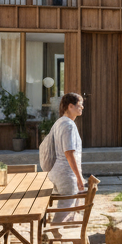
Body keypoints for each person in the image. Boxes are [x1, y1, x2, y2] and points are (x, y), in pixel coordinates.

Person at [45, 92, 86, 221]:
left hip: (57, 172)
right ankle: (55, 230)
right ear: (70, 106)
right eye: (80, 104)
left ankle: (60, 230)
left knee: (69, 207)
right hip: (66, 173)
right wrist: (79, 178)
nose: (82, 107)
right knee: (66, 208)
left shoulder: (59, 122)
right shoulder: (68, 125)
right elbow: (69, 153)